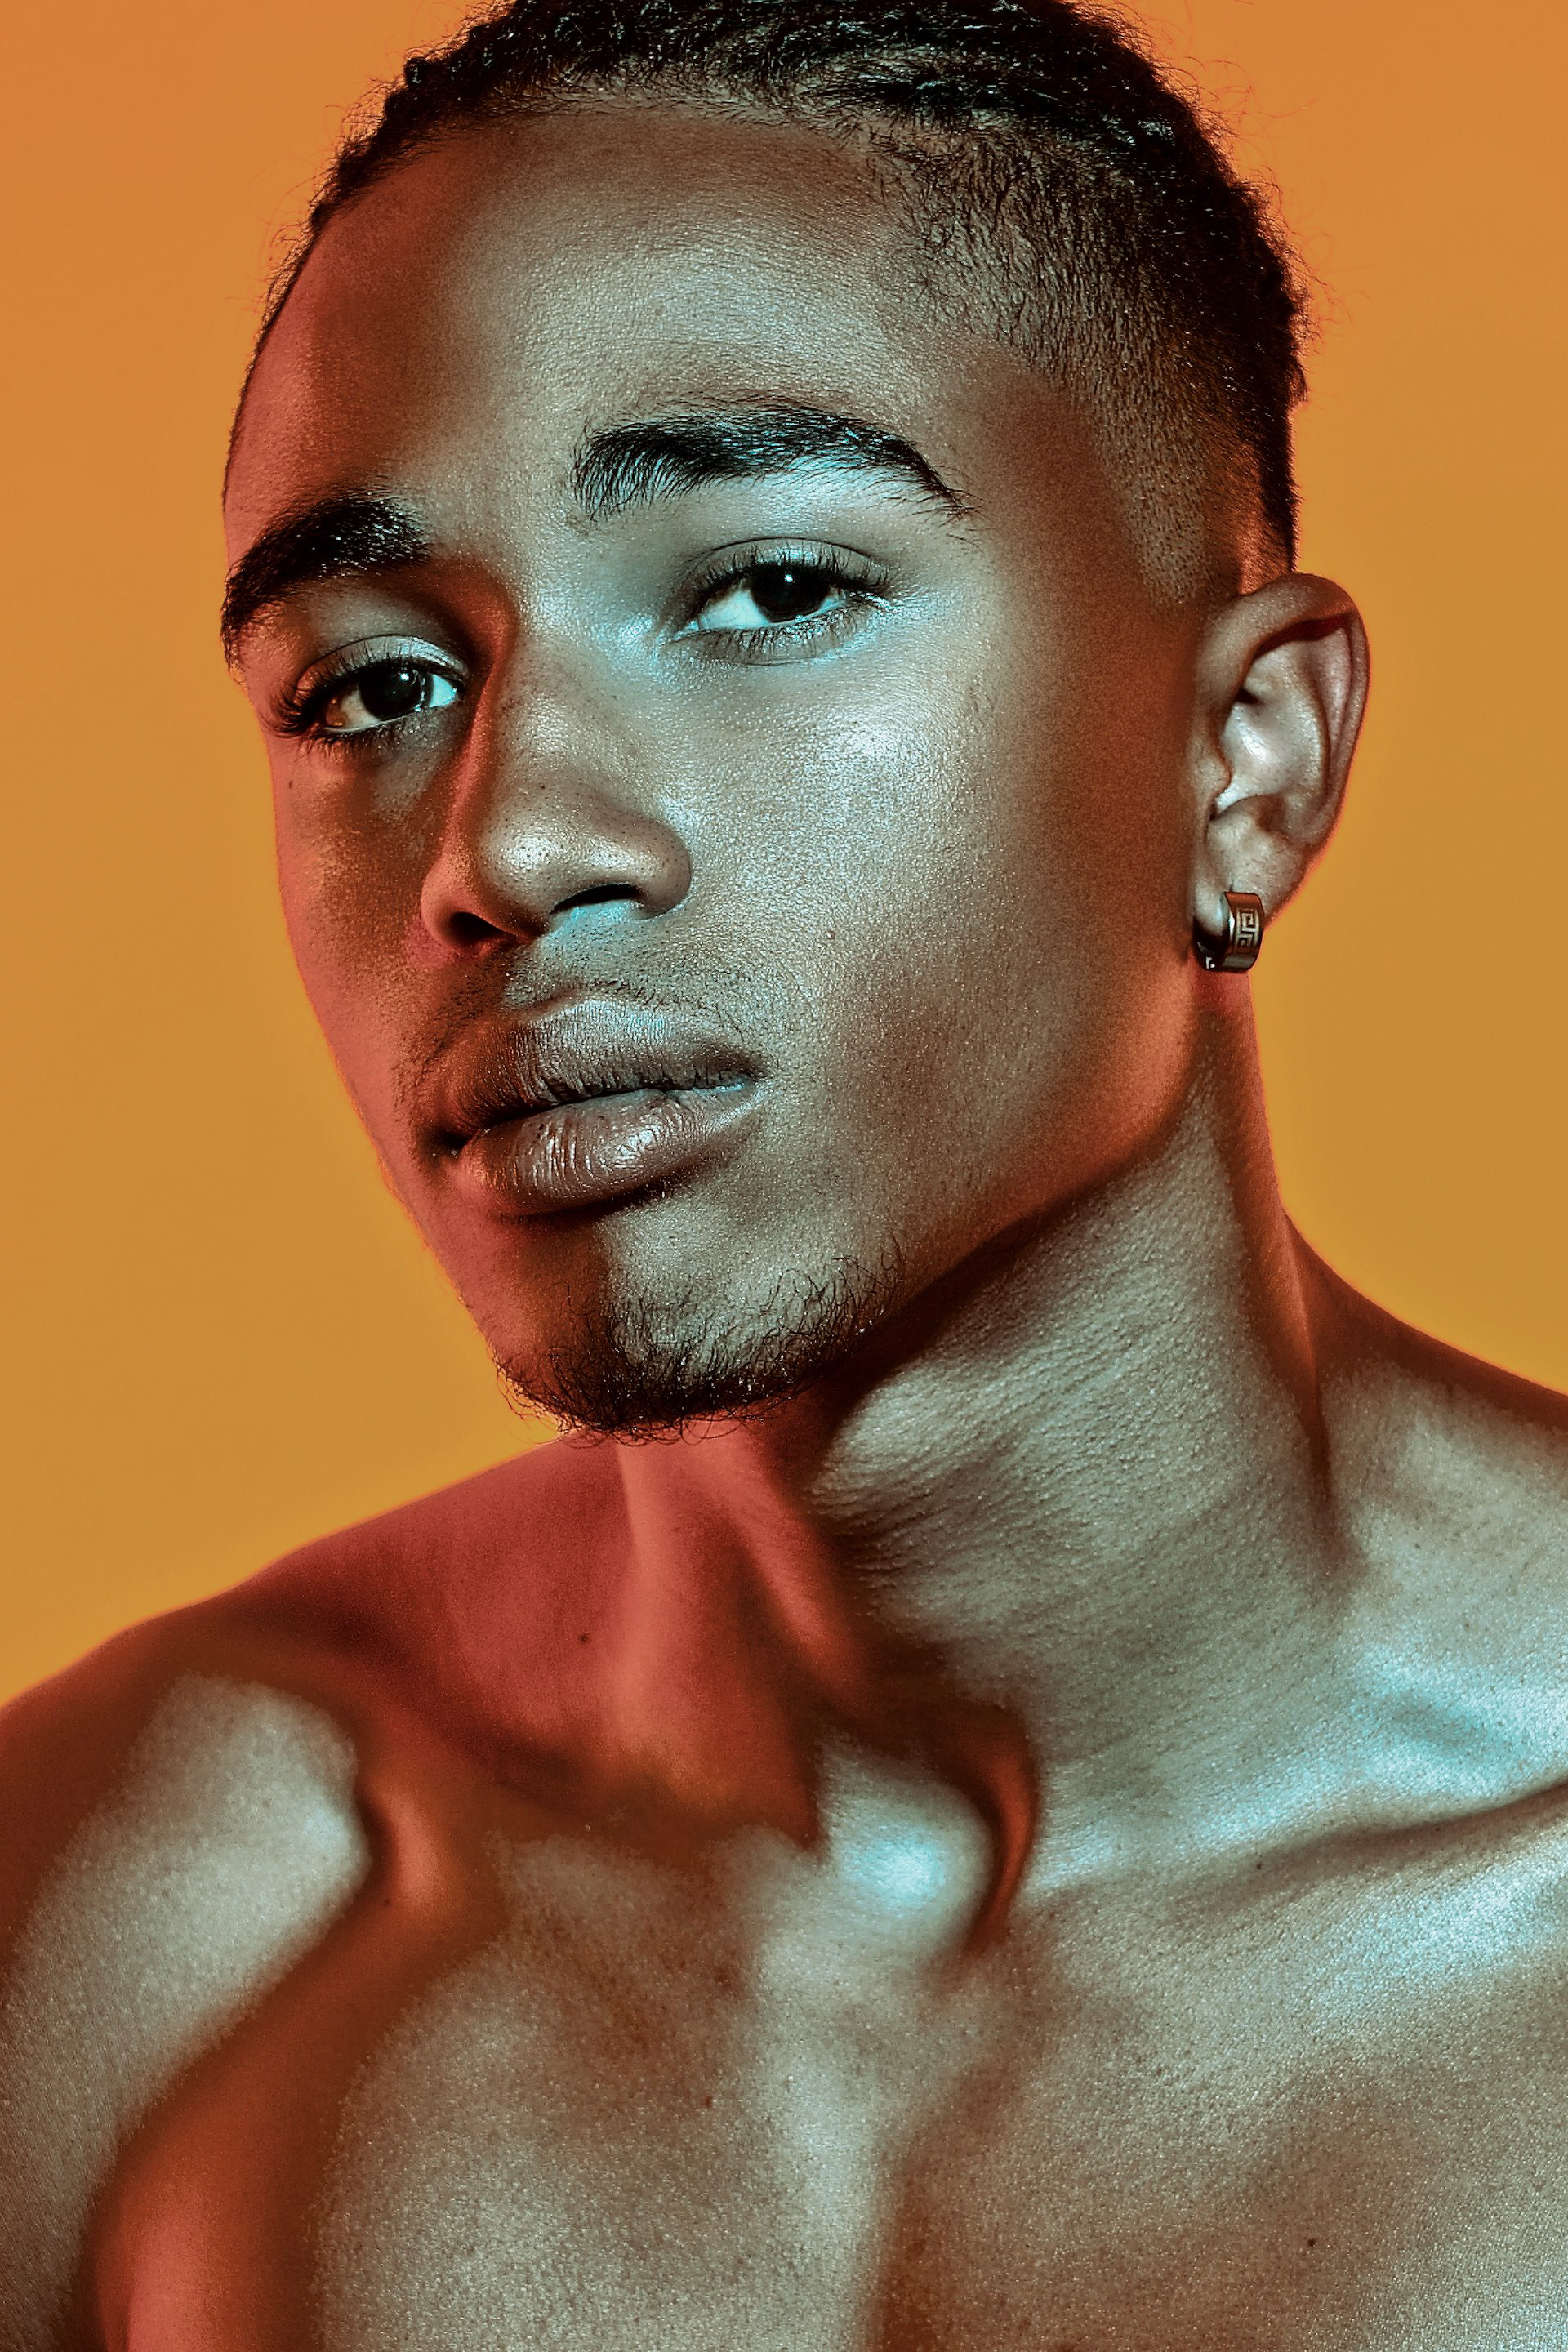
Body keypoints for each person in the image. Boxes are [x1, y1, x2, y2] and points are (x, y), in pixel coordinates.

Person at [3, 0, 1566, 2341]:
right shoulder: (138, 1912)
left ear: (1247, 763)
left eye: (766, 594)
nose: (513, 842)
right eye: (374, 686)